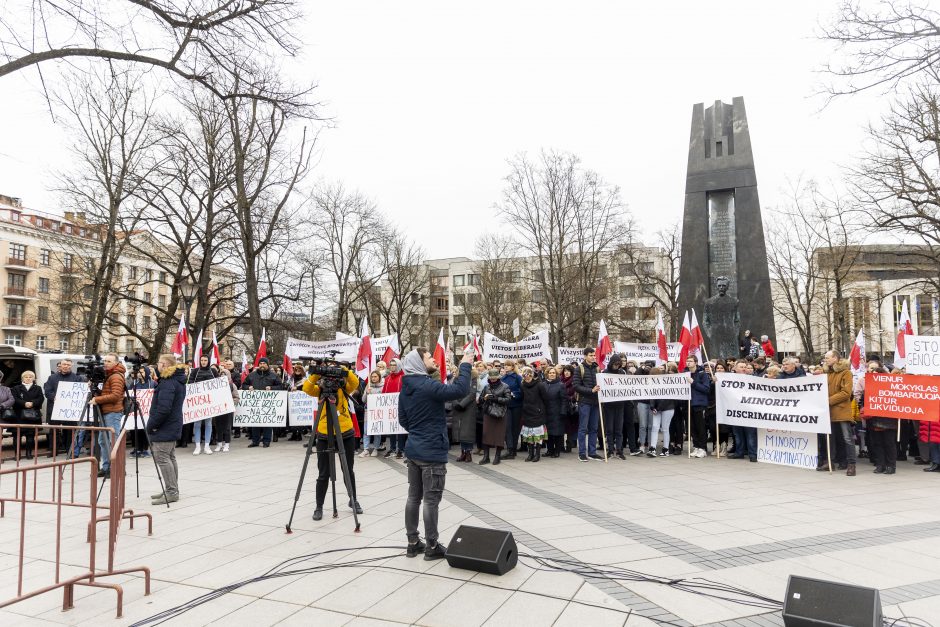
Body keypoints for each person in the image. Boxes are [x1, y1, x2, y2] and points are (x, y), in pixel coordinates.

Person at [398, 347, 473, 560]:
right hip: (431, 451)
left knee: (414, 497)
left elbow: (403, 420)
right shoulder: (427, 385)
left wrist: (418, 430)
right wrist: (466, 364)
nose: (433, 358)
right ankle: (432, 546)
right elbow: (459, 390)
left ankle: (413, 542)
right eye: (429, 356)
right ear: (419, 363)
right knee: (431, 500)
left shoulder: (406, 388)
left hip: (413, 448)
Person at [302, 358, 362, 521]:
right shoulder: (319, 389)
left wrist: (343, 370)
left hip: (345, 432)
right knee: (323, 473)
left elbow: (355, 382)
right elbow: (307, 388)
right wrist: (317, 372)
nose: (331, 380)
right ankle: (319, 506)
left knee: (348, 469)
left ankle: (353, 500)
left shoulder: (344, 388)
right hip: (323, 433)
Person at [148, 354, 187, 505]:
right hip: (172, 424)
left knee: (163, 458)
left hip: (165, 426)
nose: (157, 365)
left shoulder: (168, 383)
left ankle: (172, 491)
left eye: (159, 363)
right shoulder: (174, 380)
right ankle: (172, 488)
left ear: (164, 365)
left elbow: (163, 409)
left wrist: (152, 425)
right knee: (170, 457)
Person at [86, 354, 127, 479]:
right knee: (103, 441)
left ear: (116, 363)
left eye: (109, 361)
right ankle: (106, 467)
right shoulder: (109, 375)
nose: (105, 363)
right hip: (107, 411)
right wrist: (96, 392)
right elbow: (108, 393)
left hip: (113, 412)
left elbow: (115, 396)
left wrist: (97, 399)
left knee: (113, 441)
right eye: (105, 361)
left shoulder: (116, 376)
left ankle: (116, 468)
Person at [817, 350, 856, 476]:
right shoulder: (827, 373)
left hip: (841, 410)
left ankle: (851, 465)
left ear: (835, 358)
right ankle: (830, 462)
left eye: (827, 358)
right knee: (829, 438)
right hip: (828, 411)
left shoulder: (846, 372)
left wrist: (828, 401)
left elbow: (846, 393)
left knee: (847, 438)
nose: (825, 360)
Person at [44, 359, 84, 454]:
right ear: (60, 365)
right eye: (64, 364)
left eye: (68, 364)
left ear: (71, 365)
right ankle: (53, 450)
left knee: (70, 431)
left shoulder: (77, 378)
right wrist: (54, 398)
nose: (66, 366)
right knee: (54, 430)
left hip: (70, 409)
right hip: (54, 408)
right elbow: (47, 391)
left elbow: (80, 393)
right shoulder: (52, 377)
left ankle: (69, 450)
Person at [572, 347, 602, 462]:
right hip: (584, 402)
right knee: (583, 428)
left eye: (594, 355)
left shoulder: (597, 368)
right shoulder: (579, 368)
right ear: (585, 356)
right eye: (591, 355)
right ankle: (582, 453)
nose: (593, 357)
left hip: (595, 402)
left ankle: (592, 452)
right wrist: (591, 391)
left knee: (594, 428)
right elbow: (576, 386)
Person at [245, 357, 282, 448]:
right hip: (255, 403)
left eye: (264, 363)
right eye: (260, 363)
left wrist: (272, 388)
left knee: (267, 423)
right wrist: (248, 387)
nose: (262, 365)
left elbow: (281, 386)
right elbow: (244, 385)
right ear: (258, 365)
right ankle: (255, 441)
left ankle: (266, 441)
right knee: (255, 422)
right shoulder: (251, 375)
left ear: (267, 365)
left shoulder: (273, 375)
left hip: (268, 403)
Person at [479, 368, 512, 464]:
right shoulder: (486, 387)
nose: (493, 380)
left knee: (499, 435)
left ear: (498, 378)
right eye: (491, 378)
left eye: (494, 378)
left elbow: (508, 399)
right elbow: (480, 399)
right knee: (486, 434)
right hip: (488, 412)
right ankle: (486, 457)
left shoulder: (505, 386)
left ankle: (497, 456)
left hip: (500, 413)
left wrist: (496, 398)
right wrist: (483, 398)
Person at [188, 354, 217, 455]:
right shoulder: (195, 371)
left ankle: (207, 446)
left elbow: (218, 384)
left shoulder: (213, 371)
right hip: (198, 402)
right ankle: (197, 446)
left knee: (208, 423)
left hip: (209, 401)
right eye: (202, 360)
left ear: (208, 361)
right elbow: (190, 384)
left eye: (205, 360)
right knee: (197, 424)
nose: (203, 362)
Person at [11, 370, 43, 459]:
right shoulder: (16, 388)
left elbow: (41, 399)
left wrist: (32, 403)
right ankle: (17, 455)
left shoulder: (38, 388)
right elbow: (14, 399)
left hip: (32, 416)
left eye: (30, 377)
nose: (28, 378)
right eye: (26, 377)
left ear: (33, 378)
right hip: (18, 415)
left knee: (30, 436)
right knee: (17, 436)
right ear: (22, 378)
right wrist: (24, 403)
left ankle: (29, 453)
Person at [451, 363, 479, 463]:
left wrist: (462, 404)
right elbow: (452, 391)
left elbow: (472, 394)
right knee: (460, 431)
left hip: (468, 407)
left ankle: (468, 453)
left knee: (467, 432)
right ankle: (462, 452)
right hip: (458, 407)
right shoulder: (456, 378)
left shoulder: (473, 378)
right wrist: (456, 403)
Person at [686, 356, 713, 459]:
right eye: (687, 361)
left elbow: (706, 389)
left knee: (701, 427)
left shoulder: (702, 374)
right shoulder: (686, 373)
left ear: (696, 363)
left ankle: (703, 448)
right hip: (689, 404)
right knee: (692, 427)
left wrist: (693, 383)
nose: (688, 363)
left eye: (690, 361)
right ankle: (696, 446)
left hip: (699, 404)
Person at [519, 367, 547, 462]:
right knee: (529, 435)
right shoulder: (522, 385)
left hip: (537, 412)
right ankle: (530, 454)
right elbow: (522, 397)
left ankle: (537, 454)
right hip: (527, 412)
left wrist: (541, 410)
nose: (526, 378)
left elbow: (545, 398)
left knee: (537, 435)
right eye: (524, 376)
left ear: (531, 375)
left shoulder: (540, 385)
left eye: (528, 375)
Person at [602, 355, 627, 459]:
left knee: (618, 429)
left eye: (618, 364)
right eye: (615, 364)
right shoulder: (604, 373)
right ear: (611, 363)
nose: (616, 366)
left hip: (619, 404)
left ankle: (619, 450)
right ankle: (610, 450)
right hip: (609, 405)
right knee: (610, 429)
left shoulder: (622, 373)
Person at [382, 358, 405, 458]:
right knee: (391, 428)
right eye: (390, 364)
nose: (392, 366)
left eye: (394, 365)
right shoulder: (387, 379)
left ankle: (401, 449)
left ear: (399, 365)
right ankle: (392, 448)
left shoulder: (404, 377)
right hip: (390, 409)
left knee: (400, 429)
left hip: (401, 407)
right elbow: (384, 393)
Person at [542, 366, 567, 458]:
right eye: (550, 373)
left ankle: (557, 451)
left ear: (556, 374)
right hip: (546, 412)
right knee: (548, 433)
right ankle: (549, 450)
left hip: (557, 412)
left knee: (557, 433)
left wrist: (563, 411)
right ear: (547, 374)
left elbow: (564, 399)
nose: (552, 374)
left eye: (553, 373)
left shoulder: (561, 385)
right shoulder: (543, 384)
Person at [360, 370, 385, 458]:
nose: (373, 378)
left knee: (377, 431)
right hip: (368, 410)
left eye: (375, 377)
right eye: (372, 377)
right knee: (366, 430)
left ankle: (376, 448)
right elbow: (363, 400)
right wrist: (367, 393)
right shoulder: (368, 386)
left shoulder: (383, 386)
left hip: (378, 411)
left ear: (379, 377)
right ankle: (366, 449)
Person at [501, 360, 523, 458]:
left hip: (516, 405)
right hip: (506, 405)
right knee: (507, 428)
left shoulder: (518, 377)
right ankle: (510, 449)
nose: (506, 367)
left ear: (513, 367)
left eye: (508, 365)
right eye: (505, 365)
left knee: (515, 428)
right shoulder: (502, 378)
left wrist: (514, 394)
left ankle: (513, 449)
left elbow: (522, 390)